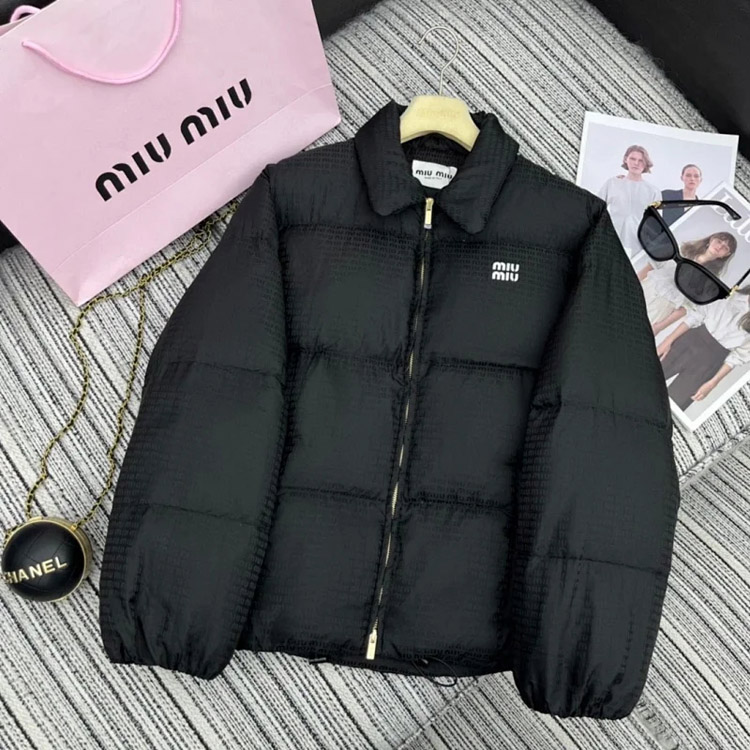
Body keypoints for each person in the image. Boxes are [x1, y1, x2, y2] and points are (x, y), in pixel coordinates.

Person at [655, 285, 750, 411]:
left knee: (672, 405)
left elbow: (737, 357)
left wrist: (713, 383)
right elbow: (696, 315)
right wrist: (668, 340)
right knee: (647, 376)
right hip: (688, 342)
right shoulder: (733, 294)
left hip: (710, 362)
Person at [637, 231, 737, 335]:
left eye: (725, 248)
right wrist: (633, 282)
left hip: (662, 308)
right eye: (719, 241)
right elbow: (652, 265)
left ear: (726, 255)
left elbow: (687, 307)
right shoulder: (682, 251)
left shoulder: (711, 281)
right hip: (646, 288)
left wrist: (659, 327)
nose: (720, 247)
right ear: (711, 239)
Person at [598, 145, 661, 256]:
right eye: (632, 159)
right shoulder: (613, 183)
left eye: (641, 160)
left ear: (646, 163)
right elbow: (597, 208)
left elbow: (656, 223)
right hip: (611, 239)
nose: (636, 163)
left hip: (639, 244)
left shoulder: (653, 191)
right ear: (625, 159)